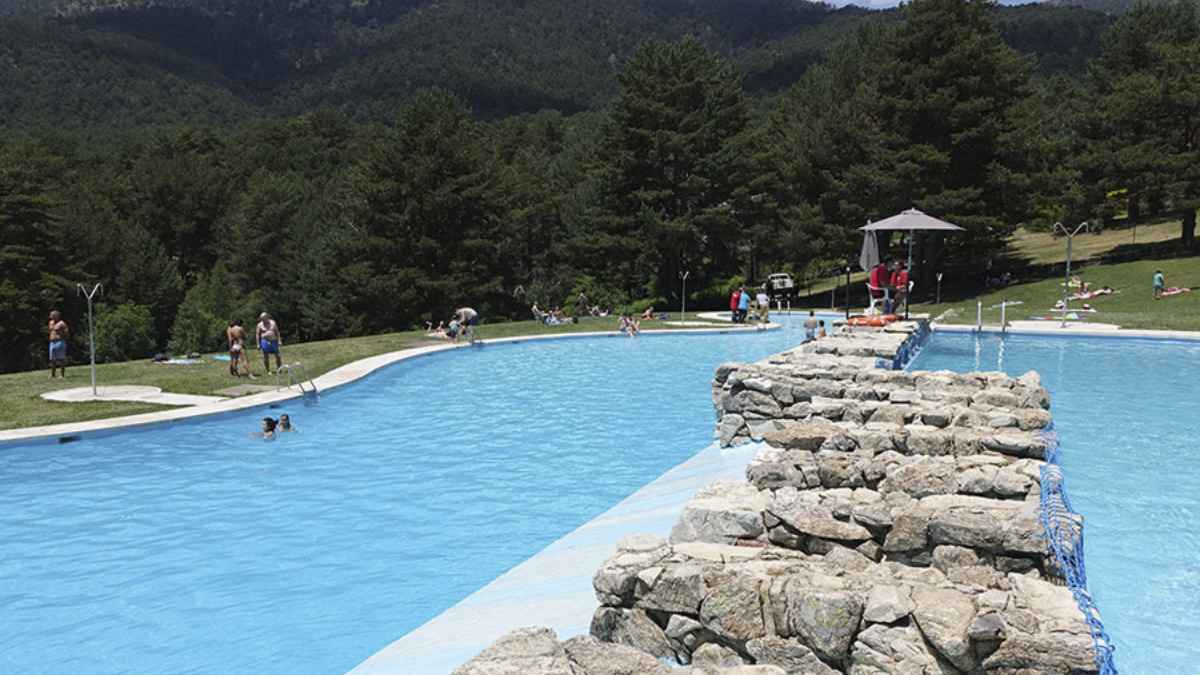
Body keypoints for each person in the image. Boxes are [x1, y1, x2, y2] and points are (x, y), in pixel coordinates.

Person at [47, 310, 69, 378]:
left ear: (56, 316)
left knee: (61, 359)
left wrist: (61, 334)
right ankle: (53, 375)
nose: (51, 317)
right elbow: (50, 331)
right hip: (52, 342)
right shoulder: (50, 323)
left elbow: (67, 333)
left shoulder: (62, 323)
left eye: (52, 315)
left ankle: (61, 375)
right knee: (52, 360)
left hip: (60, 342)